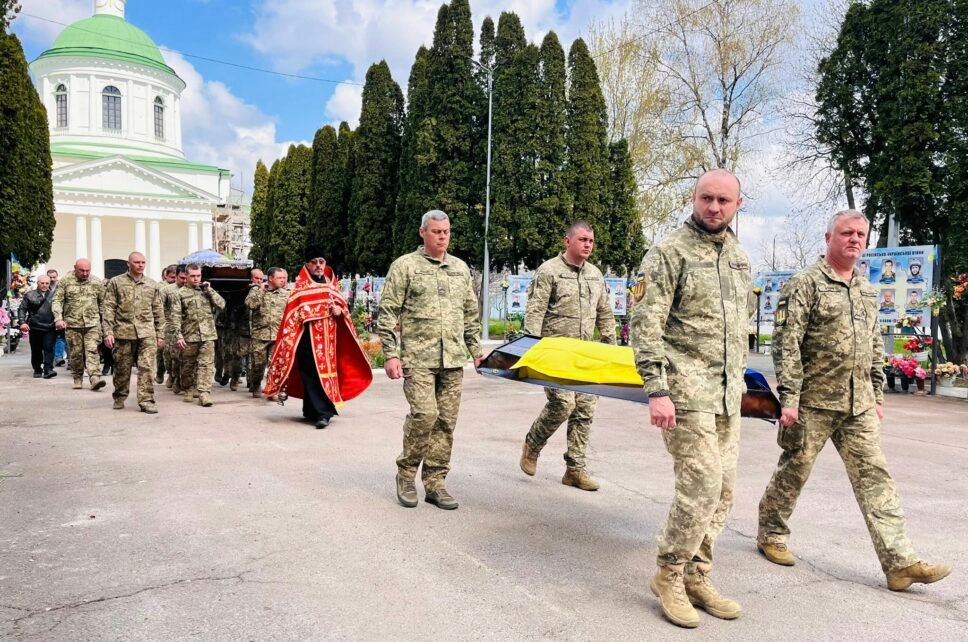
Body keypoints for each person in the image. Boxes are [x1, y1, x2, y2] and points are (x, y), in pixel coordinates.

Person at [757, 209, 951, 592]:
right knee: (794, 471)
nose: (854, 240)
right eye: (846, 233)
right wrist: (790, 398)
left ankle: (899, 562)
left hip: (858, 403)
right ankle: (772, 533)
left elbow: (873, 343)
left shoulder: (865, 288)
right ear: (828, 238)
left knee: (876, 477)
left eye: (860, 234)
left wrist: (876, 392)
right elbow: (787, 344)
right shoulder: (805, 283)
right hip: (813, 401)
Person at [630, 169, 752, 628]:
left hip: (727, 396)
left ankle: (699, 573)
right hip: (684, 394)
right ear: (694, 198)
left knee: (723, 490)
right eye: (706, 198)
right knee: (700, 485)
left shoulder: (739, 256)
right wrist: (656, 390)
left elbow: (738, 328)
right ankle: (669, 572)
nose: (714, 207)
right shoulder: (667, 253)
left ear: (738, 204)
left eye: (723, 200)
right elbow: (645, 326)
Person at [378, 210, 484, 511]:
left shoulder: (461, 269)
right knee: (425, 415)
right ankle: (406, 473)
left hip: (452, 359)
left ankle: (436, 483)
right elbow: (388, 312)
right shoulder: (405, 266)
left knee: (446, 423)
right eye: (436, 231)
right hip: (417, 358)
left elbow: (469, 314)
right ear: (422, 232)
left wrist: (476, 351)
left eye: (446, 231)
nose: (442, 236)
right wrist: (391, 353)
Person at [519, 221, 615, 491]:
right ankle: (533, 444)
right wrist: (530, 349)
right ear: (567, 241)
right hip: (555, 355)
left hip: (585, 356)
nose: (588, 245)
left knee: (585, 410)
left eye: (591, 241)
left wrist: (611, 347)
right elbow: (535, 312)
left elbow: (605, 313)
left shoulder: (596, 275)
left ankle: (575, 469)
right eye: (583, 240)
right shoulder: (549, 271)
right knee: (563, 404)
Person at [263, 248, 371, 427]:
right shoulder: (301, 288)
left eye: (321, 261)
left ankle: (319, 410)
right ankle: (320, 413)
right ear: (307, 265)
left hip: (329, 341)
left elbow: (342, 308)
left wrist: (340, 311)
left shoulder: (331, 284)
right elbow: (293, 315)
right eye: (314, 262)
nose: (319, 265)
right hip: (307, 341)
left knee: (327, 375)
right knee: (311, 376)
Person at [102, 252, 165, 413]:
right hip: (123, 332)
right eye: (137, 262)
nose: (140, 265)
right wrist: (108, 332)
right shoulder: (116, 282)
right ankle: (119, 395)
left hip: (147, 333)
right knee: (122, 369)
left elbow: (158, 310)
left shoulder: (152, 285)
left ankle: (146, 400)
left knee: (147, 368)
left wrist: (160, 334)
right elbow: (108, 308)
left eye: (143, 262)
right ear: (128, 264)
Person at [172, 264, 225, 407]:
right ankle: (188, 387)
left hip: (208, 334)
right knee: (188, 365)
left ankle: (204, 392)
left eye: (198, 276)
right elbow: (175, 317)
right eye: (192, 276)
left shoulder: (206, 291)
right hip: (190, 335)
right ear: (186, 276)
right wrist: (179, 336)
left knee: (206, 364)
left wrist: (210, 291)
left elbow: (222, 305)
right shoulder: (179, 294)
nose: (196, 279)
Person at [51, 258, 106, 391]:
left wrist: (105, 322)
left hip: (92, 323)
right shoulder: (65, 281)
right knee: (76, 353)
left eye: (88, 270)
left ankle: (95, 378)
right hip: (72, 324)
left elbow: (103, 303)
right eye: (82, 270)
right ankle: (77, 377)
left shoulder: (96, 282)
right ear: (75, 268)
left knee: (92, 351)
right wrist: (58, 318)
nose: (85, 273)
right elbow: (57, 300)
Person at [245, 267, 288, 398]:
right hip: (259, 335)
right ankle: (256, 383)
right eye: (279, 278)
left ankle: (272, 389)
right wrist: (261, 291)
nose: (282, 280)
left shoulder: (286, 294)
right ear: (270, 278)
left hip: (277, 335)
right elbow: (250, 304)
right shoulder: (257, 291)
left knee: (274, 365)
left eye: (283, 278)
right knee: (258, 365)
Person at [18, 275, 57, 379]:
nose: (44, 285)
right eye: (42, 283)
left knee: (49, 348)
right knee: (36, 349)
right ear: (38, 283)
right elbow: (22, 309)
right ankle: (37, 368)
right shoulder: (29, 295)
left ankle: (48, 369)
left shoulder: (55, 295)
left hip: (50, 326)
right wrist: (22, 322)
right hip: (35, 327)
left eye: (47, 283)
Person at [162, 265, 188, 393]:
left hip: (187, 327)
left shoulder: (190, 290)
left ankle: (179, 379)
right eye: (181, 278)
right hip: (170, 327)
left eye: (185, 278)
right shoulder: (167, 290)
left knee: (182, 356)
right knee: (170, 356)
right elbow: (159, 309)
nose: (184, 281)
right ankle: (171, 374)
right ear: (176, 276)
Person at [154, 265, 177, 385]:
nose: (174, 279)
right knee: (161, 352)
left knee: (173, 352)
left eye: (175, 277)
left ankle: (173, 375)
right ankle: (161, 372)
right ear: (165, 276)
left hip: (176, 324)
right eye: (171, 277)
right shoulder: (160, 287)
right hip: (164, 324)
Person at [47, 268, 68, 367]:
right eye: (50, 277)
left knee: (64, 337)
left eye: (54, 277)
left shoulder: (61, 286)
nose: (52, 279)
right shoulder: (44, 286)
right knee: (54, 338)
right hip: (48, 316)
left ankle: (68, 359)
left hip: (62, 315)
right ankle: (57, 357)